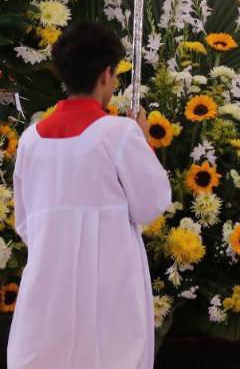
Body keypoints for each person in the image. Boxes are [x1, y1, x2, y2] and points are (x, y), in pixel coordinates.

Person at [8, 22, 171, 369]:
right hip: (107, 291)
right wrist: (143, 141)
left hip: (48, 287)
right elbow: (151, 204)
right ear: (106, 74)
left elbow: (25, 224)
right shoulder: (119, 134)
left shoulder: (30, 141)